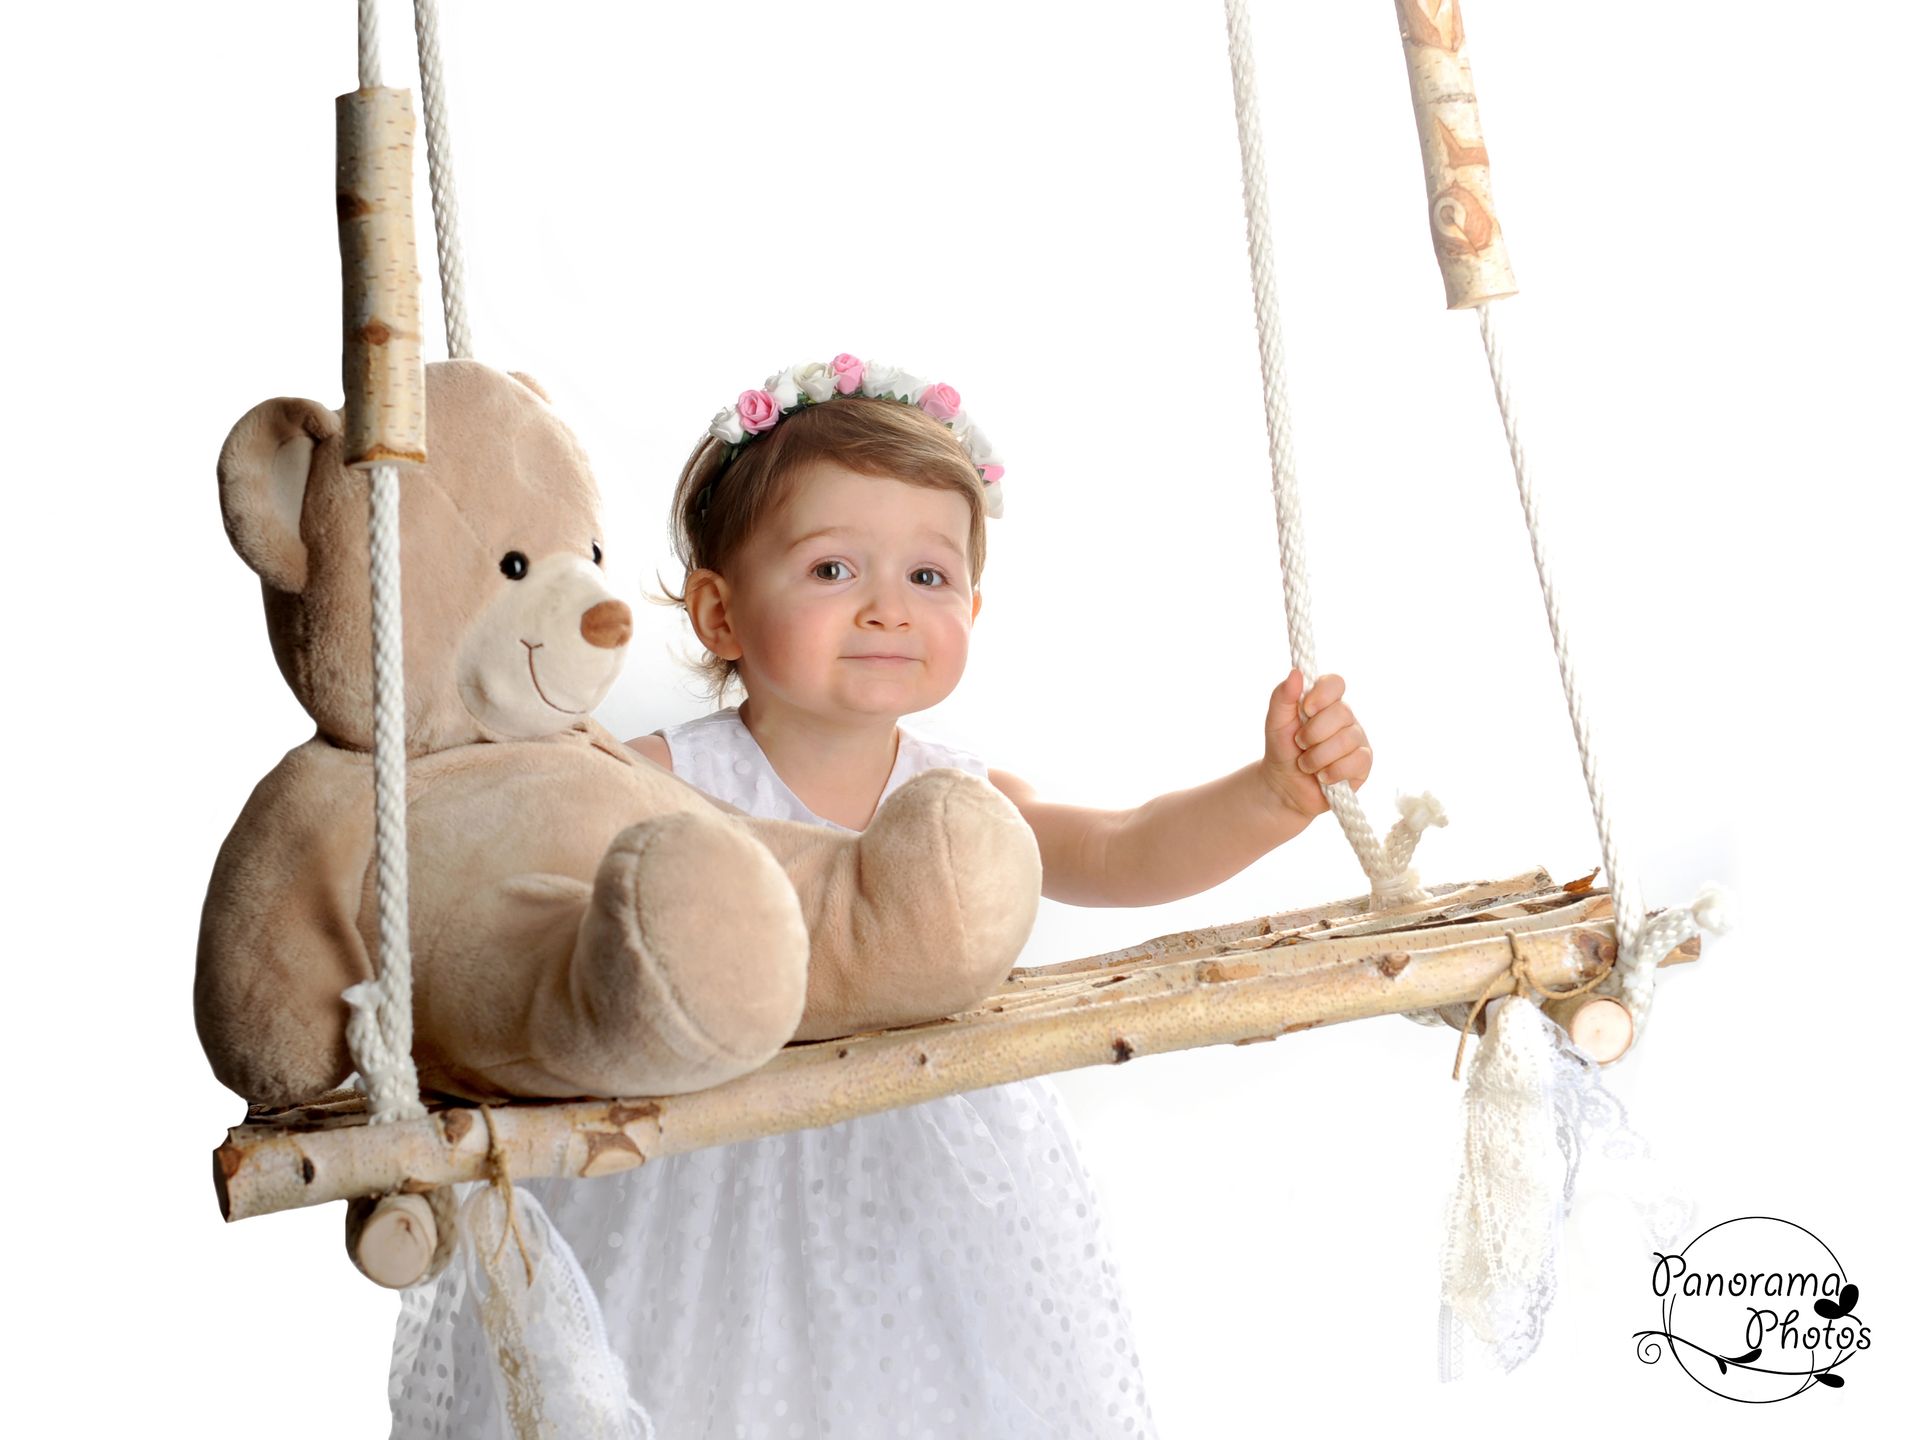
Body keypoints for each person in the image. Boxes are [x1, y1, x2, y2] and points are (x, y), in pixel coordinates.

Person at [390, 354, 1371, 1440]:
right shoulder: (647, 782)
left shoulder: (957, 805)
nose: (886, 610)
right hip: (694, 1171)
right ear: (720, 613)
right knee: (686, 1384)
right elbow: (527, 883)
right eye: (830, 571)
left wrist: (1273, 795)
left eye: (928, 577)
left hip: (926, 1187)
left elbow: (1124, 847)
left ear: (975, 605)